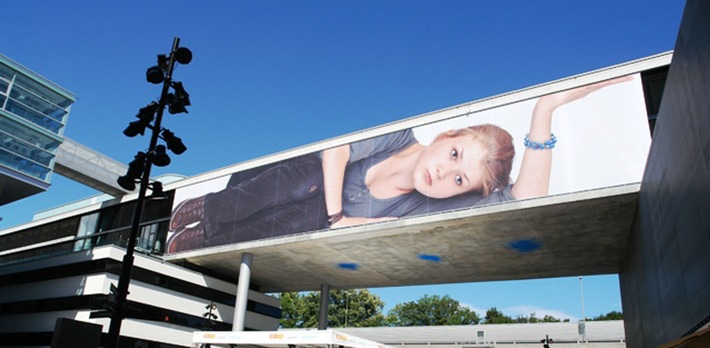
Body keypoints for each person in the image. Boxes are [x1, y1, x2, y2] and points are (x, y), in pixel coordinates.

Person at [167, 78, 629, 253]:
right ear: (447, 136)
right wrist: (337, 218)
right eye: (453, 156)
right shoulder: (401, 137)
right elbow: (336, 151)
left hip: (287, 218)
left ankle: (202, 239)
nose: (444, 175)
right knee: (307, 183)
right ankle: (203, 211)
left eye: (460, 179)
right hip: (274, 181)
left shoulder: (420, 208)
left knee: (301, 217)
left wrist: (543, 110)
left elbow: (527, 197)